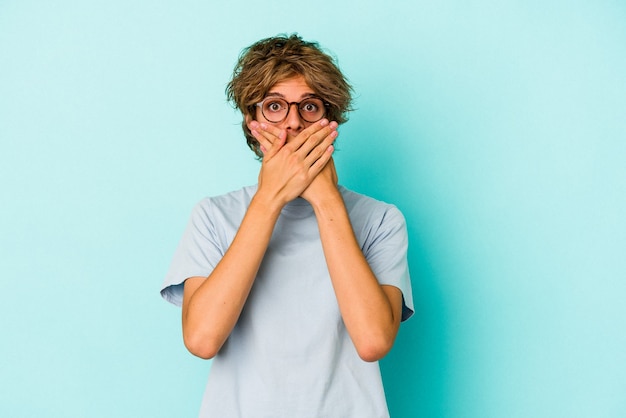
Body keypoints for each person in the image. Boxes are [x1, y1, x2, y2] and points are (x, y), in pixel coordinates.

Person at [161, 34, 414, 417]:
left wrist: (326, 197)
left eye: (309, 106)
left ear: (331, 120)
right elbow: (202, 339)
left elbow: (373, 341)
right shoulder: (213, 216)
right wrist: (269, 199)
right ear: (252, 121)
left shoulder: (380, 220)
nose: (293, 123)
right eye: (275, 106)